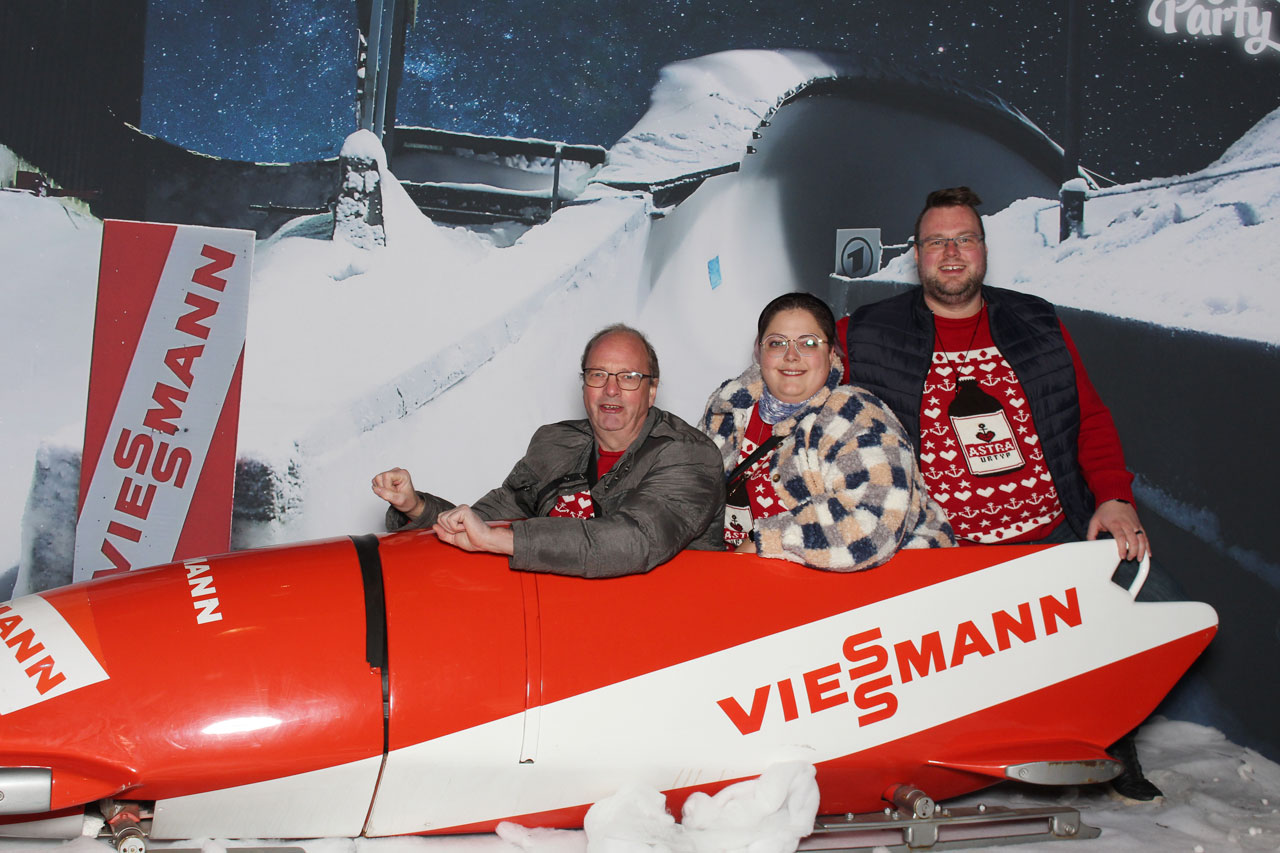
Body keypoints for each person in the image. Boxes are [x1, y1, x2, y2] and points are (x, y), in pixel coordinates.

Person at [843, 186, 1160, 798]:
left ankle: (1111, 743)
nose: (951, 253)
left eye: (964, 238)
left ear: (984, 249)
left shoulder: (1037, 320)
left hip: (1049, 532)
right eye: (937, 241)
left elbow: (1088, 417)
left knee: (1113, 639)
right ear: (916, 254)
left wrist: (1114, 496)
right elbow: (798, 373)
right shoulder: (868, 331)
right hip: (945, 550)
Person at [372, 324, 725, 578]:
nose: (611, 390)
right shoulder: (554, 444)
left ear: (651, 390)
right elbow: (482, 526)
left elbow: (633, 542)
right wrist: (416, 508)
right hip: (560, 626)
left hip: (666, 637)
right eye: (598, 375)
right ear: (584, 385)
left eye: (628, 377)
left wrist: (503, 540)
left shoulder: (689, 456)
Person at [700, 292, 954, 570]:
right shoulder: (727, 407)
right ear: (759, 352)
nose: (791, 356)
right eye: (777, 343)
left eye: (808, 343)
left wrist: (764, 540)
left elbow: (872, 527)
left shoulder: (857, 416)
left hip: (891, 583)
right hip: (753, 578)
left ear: (831, 353)